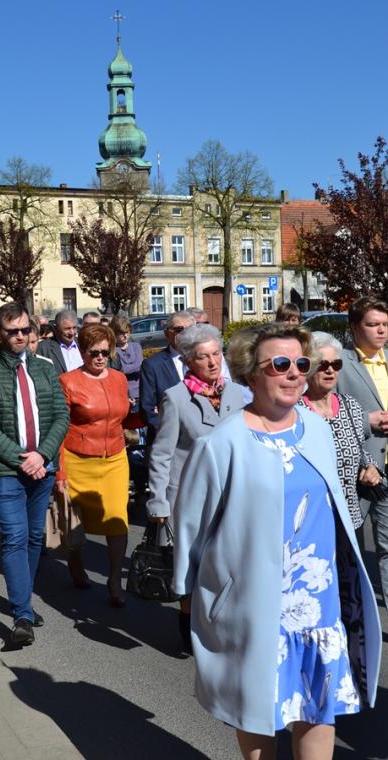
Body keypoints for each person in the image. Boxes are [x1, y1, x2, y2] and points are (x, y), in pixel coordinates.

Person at [172, 322, 381, 759]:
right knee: (258, 712)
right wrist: (196, 597)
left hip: (319, 602)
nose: (294, 374)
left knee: (319, 709)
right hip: (254, 604)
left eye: (301, 364)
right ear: (251, 374)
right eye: (280, 364)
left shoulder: (316, 428)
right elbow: (193, 524)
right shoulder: (222, 444)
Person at [0, 303, 69, 644]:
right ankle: (22, 616)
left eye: (26, 330)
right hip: (5, 470)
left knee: (34, 538)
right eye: (13, 331)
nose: (21, 336)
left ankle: (23, 599)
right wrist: (20, 458)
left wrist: (42, 455)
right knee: (14, 536)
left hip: (42, 467)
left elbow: (61, 416)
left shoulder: (43, 368)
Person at [146, 324, 244, 650]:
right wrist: (158, 501)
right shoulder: (176, 398)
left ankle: (222, 627)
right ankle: (190, 632)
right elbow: (162, 454)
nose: (213, 362)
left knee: (228, 565)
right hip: (188, 498)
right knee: (191, 568)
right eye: (204, 357)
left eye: (216, 354)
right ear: (189, 361)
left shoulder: (236, 393)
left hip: (231, 495)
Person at [57, 324, 133, 607]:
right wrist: (60, 471)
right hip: (78, 460)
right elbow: (58, 429)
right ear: (82, 351)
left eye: (105, 351)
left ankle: (114, 580)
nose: (100, 357)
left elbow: (123, 417)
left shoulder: (119, 379)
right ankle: (75, 564)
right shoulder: (68, 382)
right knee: (74, 522)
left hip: (114, 458)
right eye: (93, 352)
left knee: (117, 519)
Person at [336, 295, 388, 611]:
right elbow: (325, 411)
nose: (381, 330)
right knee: (347, 545)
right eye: (373, 324)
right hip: (357, 470)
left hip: (386, 469)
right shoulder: (337, 362)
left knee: (386, 547)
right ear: (355, 328)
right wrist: (366, 421)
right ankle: (349, 612)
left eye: (385, 324)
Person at [299, 331, 380, 531]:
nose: (330, 370)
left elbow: (361, 450)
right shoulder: (296, 412)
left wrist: (371, 467)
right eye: (322, 365)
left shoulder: (350, 405)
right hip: (312, 520)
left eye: (336, 364)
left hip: (350, 518)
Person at [139, 310, 196, 441]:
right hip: (168, 440)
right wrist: (174, 432)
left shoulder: (203, 359)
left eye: (189, 329)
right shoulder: (152, 365)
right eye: (179, 330)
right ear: (167, 334)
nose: (185, 334)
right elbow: (147, 411)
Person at [110, 315, 143, 406]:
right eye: (122, 333)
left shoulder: (136, 346)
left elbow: (140, 367)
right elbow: (117, 372)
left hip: (139, 392)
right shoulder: (112, 350)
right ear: (114, 333)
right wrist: (134, 367)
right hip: (121, 393)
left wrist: (124, 369)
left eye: (127, 332)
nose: (125, 335)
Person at [37, 309, 82, 374]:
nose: (72, 332)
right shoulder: (43, 348)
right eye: (67, 329)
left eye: (74, 328)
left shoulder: (83, 344)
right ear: (56, 329)